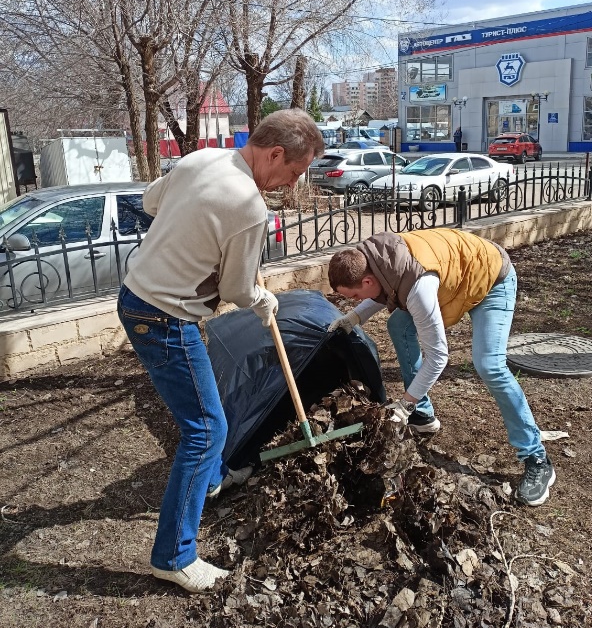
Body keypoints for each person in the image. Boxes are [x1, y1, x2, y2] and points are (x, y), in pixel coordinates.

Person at [117, 109, 324, 593]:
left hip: (136, 296)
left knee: (205, 416)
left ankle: (208, 483)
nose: (290, 185)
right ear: (275, 153)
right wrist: (262, 299)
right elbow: (235, 286)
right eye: (292, 172)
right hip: (166, 316)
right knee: (205, 428)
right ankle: (174, 556)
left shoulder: (201, 159)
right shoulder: (248, 205)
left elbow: (151, 202)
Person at [326, 228, 555, 507]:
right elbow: (381, 293)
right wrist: (352, 318)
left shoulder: (417, 288)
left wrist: (404, 404)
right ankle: (423, 415)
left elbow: (438, 357)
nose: (355, 301)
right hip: (456, 278)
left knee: (489, 365)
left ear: (367, 278)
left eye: (353, 296)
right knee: (398, 325)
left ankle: (537, 458)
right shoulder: (378, 259)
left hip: (491, 278)